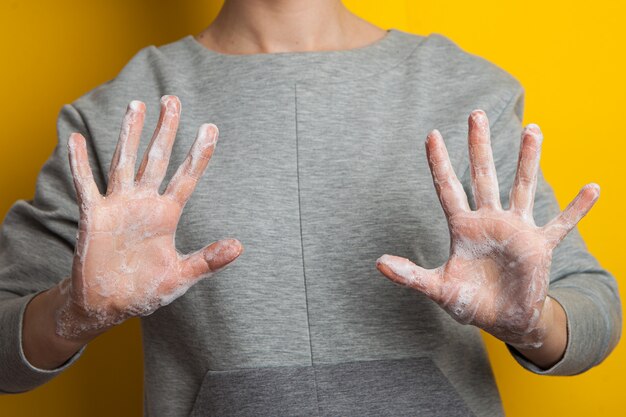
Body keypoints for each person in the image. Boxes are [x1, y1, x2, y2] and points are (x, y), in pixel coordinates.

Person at [0, 1, 621, 416]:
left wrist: (535, 322)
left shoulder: (463, 87)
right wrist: (68, 316)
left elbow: (591, 305)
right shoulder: (123, 115)